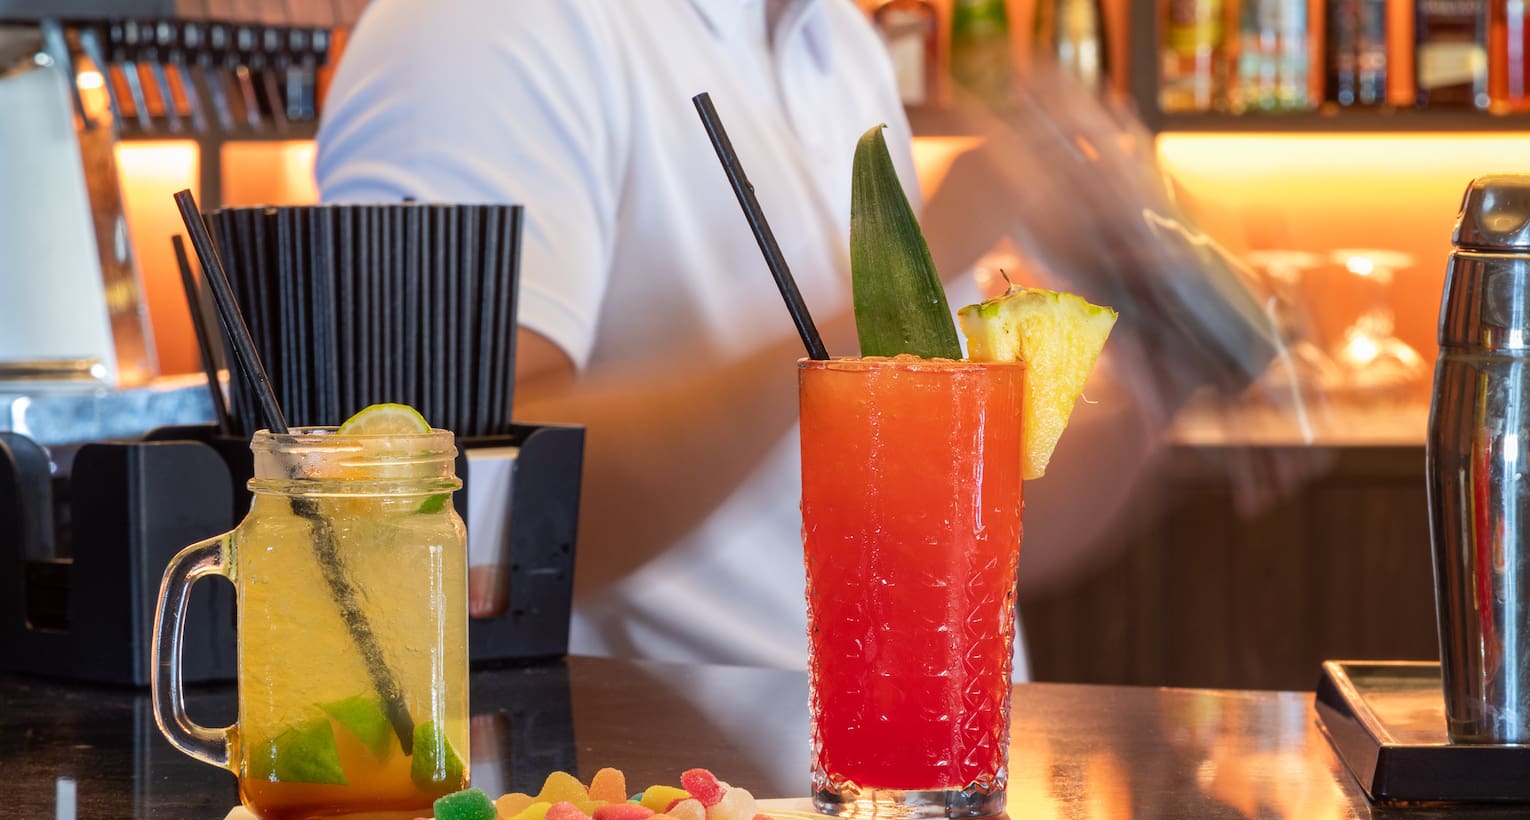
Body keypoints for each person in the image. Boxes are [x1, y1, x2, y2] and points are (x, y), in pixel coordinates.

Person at [315, 0, 1169, 669]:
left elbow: (939, 523)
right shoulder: (484, 26)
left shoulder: (841, 44)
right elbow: (454, 524)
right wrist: (917, 253)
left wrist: (1165, 367)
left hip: (913, 795)